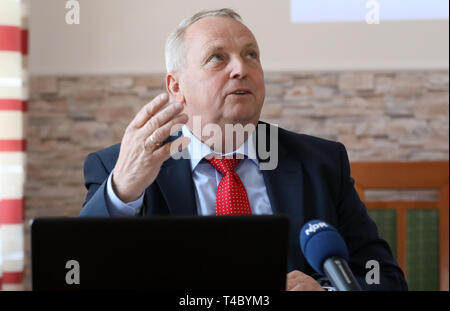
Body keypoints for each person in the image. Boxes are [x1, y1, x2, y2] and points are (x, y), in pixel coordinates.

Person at [79, 8, 407, 291]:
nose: (241, 68)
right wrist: (121, 191)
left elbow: (384, 279)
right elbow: (79, 275)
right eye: (217, 58)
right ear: (176, 87)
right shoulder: (118, 168)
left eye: (251, 55)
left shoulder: (321, 163)